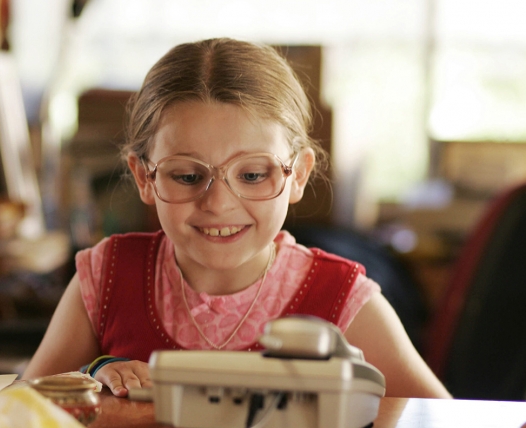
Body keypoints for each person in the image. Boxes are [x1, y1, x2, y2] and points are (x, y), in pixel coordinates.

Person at [23, 37, 451, 400]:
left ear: (298, 174)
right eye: (188, 175)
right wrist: (89, 377)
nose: (219, 204)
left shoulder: (344, 300)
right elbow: (21, 417)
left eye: (252, 174)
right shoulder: (107, 276)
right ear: (144, 177)